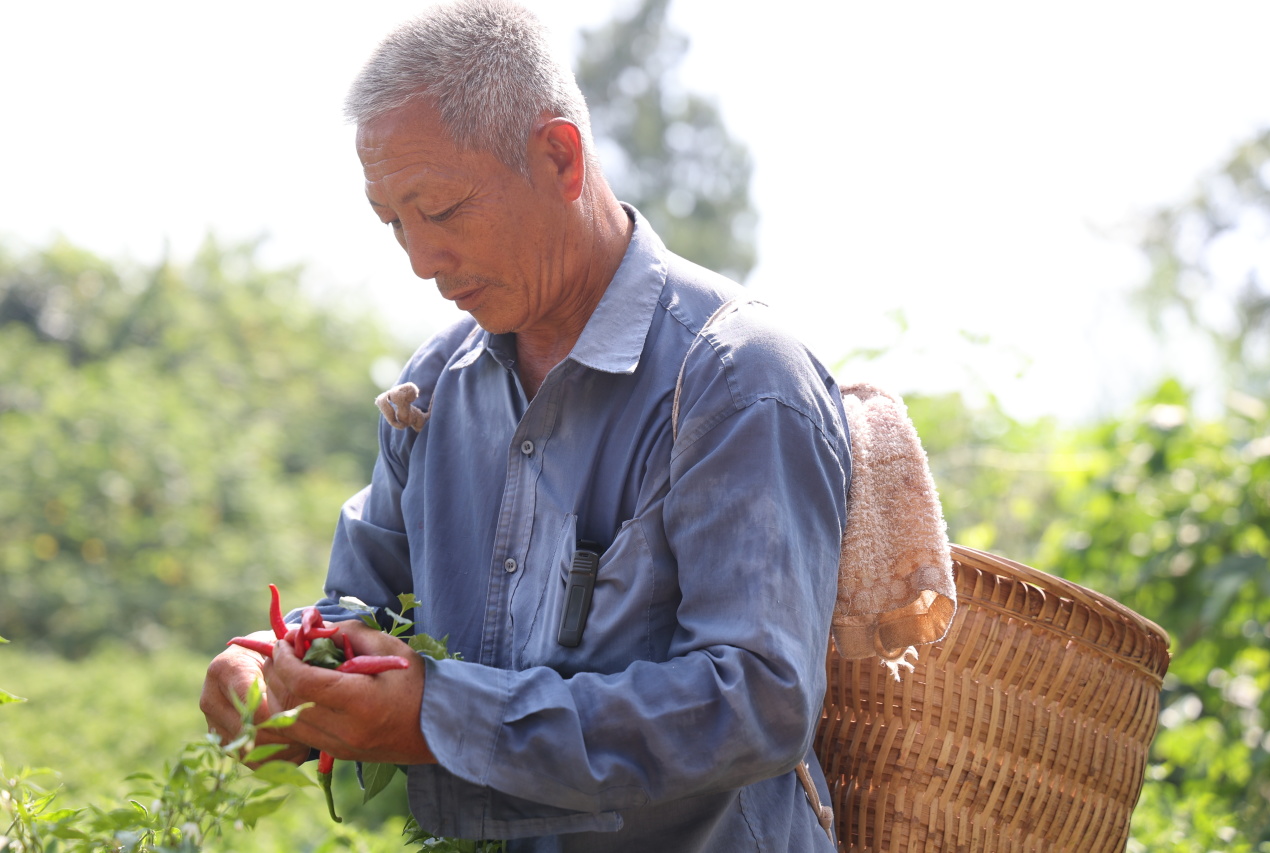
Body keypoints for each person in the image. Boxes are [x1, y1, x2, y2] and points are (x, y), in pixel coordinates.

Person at [200, 1, 851, 849]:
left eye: (441, 210)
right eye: (393, 223)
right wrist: (281, 665)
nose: (420, 261)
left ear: (560, 157)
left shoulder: (736, 378)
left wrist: (440, 715)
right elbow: (360, 607)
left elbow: (758, 702)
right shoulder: (436, 386)